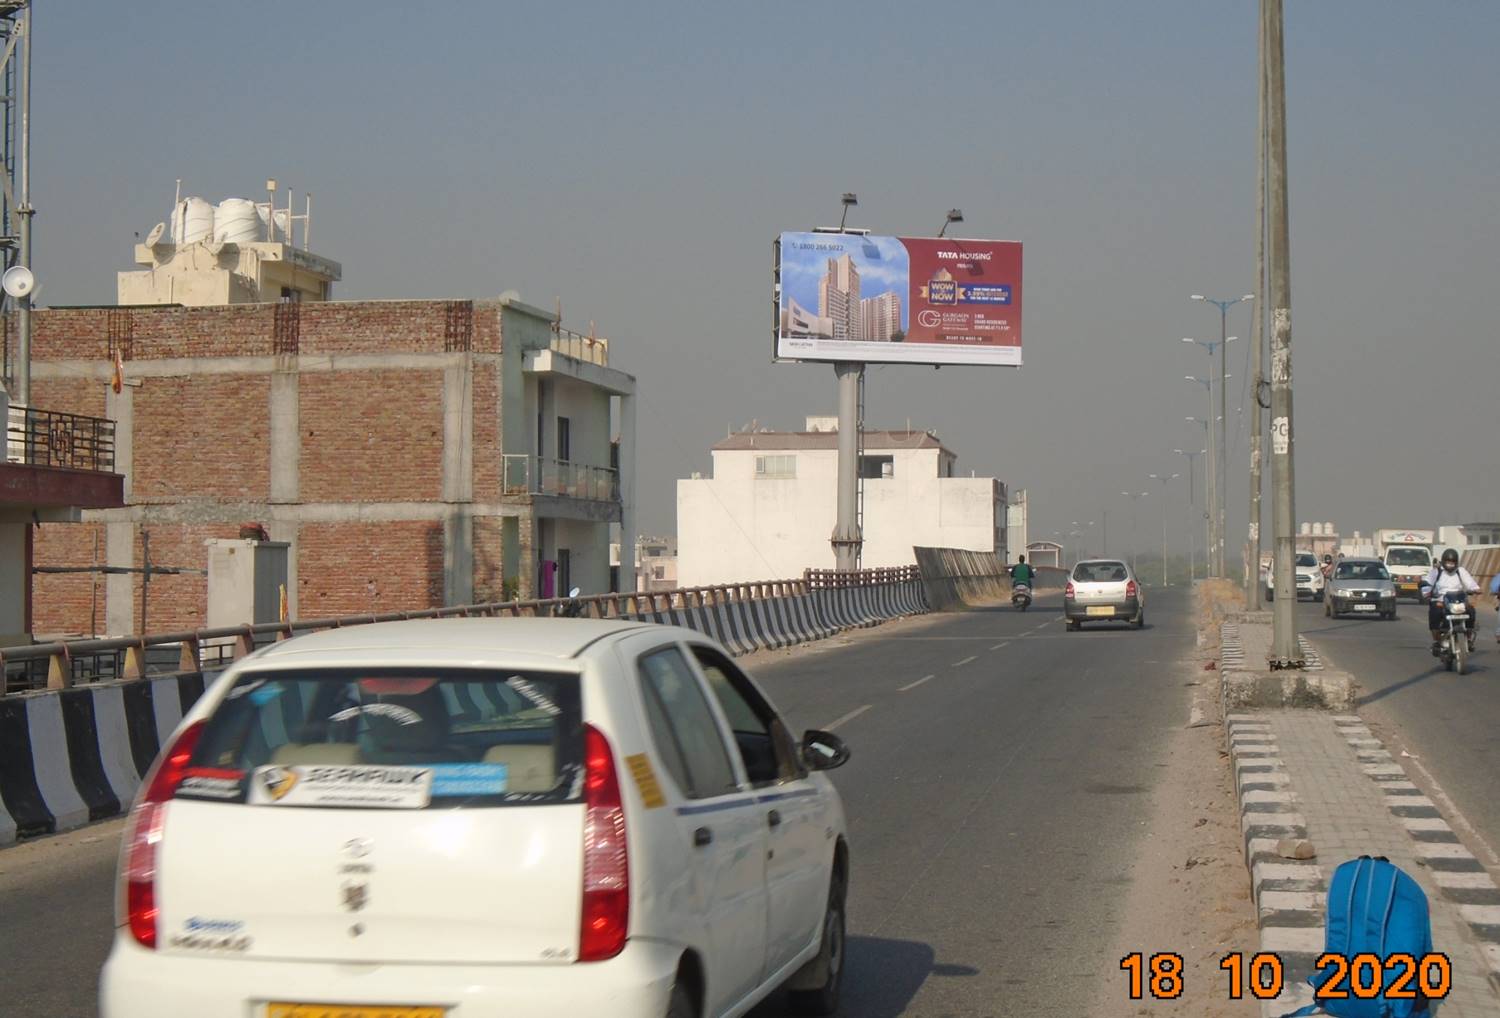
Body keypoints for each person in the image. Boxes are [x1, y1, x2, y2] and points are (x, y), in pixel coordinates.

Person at [1420, 549, 1481, 655]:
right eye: (1448, 562)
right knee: (1434, 612)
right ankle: (1436, 641)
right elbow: (1428, 584)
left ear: (1456, 562)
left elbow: (1470, 583)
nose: (1450, 565)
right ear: (1443, 561)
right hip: (1441, 601)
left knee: (1471, 611)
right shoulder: (1436, 571)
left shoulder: (1460, 571)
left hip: (1458, 601)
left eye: (1452, 562)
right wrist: (1426, 592)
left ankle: (1469, 638)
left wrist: (1475, 589)